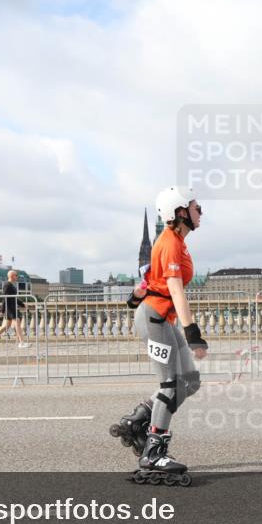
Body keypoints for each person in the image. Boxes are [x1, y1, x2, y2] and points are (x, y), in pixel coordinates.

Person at [110, 186, 207, 486]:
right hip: (154, 319)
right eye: (196, 207)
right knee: (170, 385)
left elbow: (150, 278)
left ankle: (138, 420)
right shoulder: (169, 242)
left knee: (189, 381)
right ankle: (154, 453)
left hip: (161, 317)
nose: (200, 211)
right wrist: (193, 334)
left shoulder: (177, 242)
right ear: (181, 212)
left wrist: (136, 294)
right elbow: (175, 290)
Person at [0, 270, 30, 348]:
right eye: (16, 275)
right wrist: (2, 311)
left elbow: (14, 298)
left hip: (11, 307)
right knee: (17, 324)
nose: (17, 277)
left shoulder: (11, 285)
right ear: (12, 276)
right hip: (10, 308)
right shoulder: (7, 285)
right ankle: (21, 343)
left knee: (6, 326)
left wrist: (22, 304)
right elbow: (5, 299)